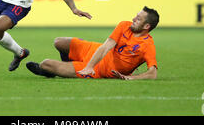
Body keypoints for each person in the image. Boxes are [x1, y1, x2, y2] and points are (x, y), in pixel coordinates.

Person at [26, 6, 159, 80]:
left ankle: (53, 71)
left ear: (146, 26)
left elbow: (152, 73)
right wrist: (89, 66)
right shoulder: (124, 25)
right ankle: (67, 68)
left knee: (45, 64)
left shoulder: (147, 45)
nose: (133, 19)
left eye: (138, 19)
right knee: (59, 42)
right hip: (93, 51)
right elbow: (106, 47)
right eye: (135, 15)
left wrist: (131, 78)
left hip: (99, 70)